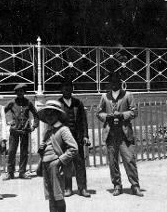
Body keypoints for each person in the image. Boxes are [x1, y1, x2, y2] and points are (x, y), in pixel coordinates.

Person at [96, 69, 143, 197]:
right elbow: (98, 113)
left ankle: (135, 185)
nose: (115, 84)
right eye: (112, 81)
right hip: (110, 133)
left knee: (129, 160)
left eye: (117, 81)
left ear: (121, 82)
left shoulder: (128, 95)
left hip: (124, 134)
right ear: (109, 83)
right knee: (112, 161)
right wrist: (107, 116)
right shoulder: (105, 97)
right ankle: (117, 185)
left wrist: (122, 115)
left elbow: (134, 112)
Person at [37, 100, 78, 212]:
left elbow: (73, 148)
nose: (49, 116)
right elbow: (46, 149)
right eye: (47, 113)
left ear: (58, 115)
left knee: (58, 196)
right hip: (46, 166)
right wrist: (41, 150)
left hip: (56, 166)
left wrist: (60, 161)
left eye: (52, 113)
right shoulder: (48, 131)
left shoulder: (63, 130)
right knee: (51, 196)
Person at [58, 76, 91, 197]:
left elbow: (83, 121)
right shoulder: (58, 104)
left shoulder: (78, 103)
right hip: (64, 139)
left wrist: (86, 136)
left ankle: (82, 188)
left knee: (80, 163)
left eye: (69, 87)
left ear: (72, 89)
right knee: (66, 163)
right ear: (61, 89)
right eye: (64, 87)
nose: (67, 89)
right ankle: (67, 188)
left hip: (77, 138)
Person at [4, 83, 39, 180]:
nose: (20, 93)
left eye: (22, 91)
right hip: (14, 131)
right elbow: (2, 112)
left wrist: (34, 126)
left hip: (25, 131)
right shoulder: (12, 102)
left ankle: (22, 172)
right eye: (18, 92)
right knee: (11, 152)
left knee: (24, 152)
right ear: (16, 93)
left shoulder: (28, 103)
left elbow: (36, 115)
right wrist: (8, 121)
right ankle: (10, 173)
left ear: (24, 92)